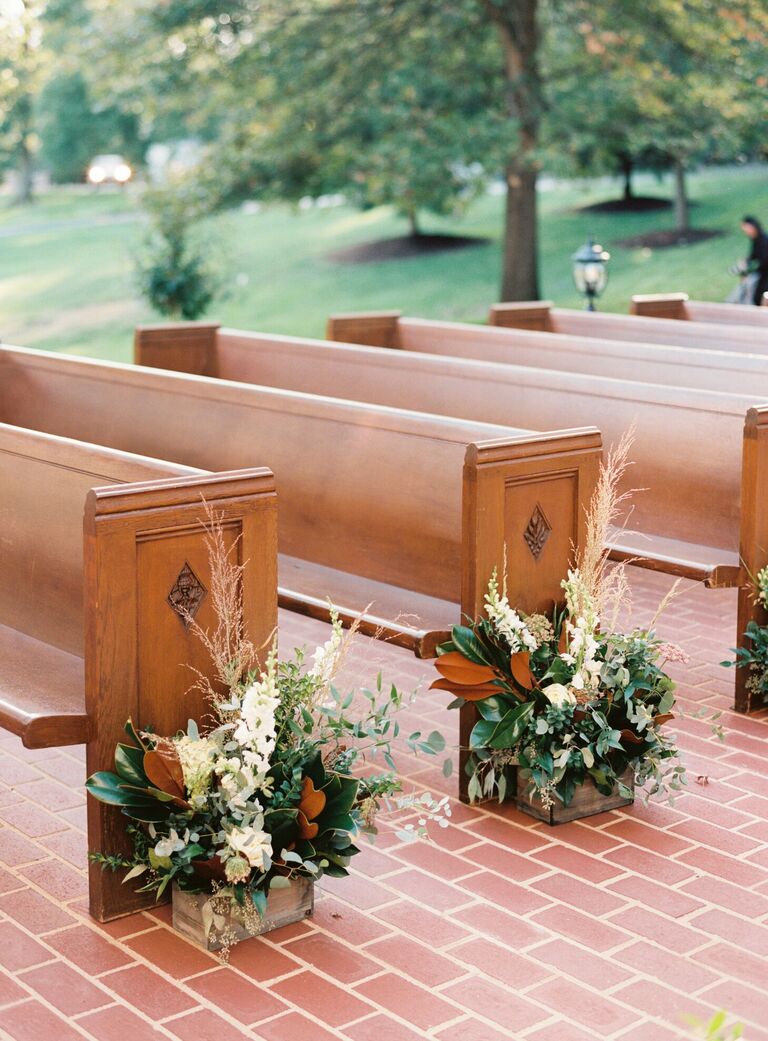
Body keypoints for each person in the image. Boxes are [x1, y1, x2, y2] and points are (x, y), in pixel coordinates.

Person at [740, 216, 768, 305]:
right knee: (757, 298)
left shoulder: (763, 240)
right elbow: (753, 256)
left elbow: (763, 261)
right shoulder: (756, 239)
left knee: (760, 297)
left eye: (746, 228)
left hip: (766, 274)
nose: (745, 231)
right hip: (763, 273)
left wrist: (748, 272)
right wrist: (746, 262)